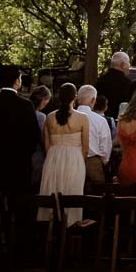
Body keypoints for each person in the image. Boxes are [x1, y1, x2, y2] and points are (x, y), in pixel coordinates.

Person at [0, 66, 39, 259]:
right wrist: (23, 155)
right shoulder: (25, 105)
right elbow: (33, 137)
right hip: (18, 165)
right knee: (20, 207)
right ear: (16, 81)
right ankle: (20, 250)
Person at [38, 84, 89, 223]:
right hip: (75, 160)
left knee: (52, 192)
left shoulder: (49, 117)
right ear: (75, 97)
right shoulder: (82, 118)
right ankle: (70, 225)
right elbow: (85, 148)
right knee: (71, 193)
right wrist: (78, 160)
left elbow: (47, 146)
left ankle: (48, 227)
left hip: (53, 158)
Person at [75, 85, 112, 184]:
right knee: (96, 195)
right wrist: (104, 161)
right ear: (93, 100)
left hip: (72, 160)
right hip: (93, 162)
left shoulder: (69, 117)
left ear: (78, 99)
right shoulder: (100, 120)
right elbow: (105, 145)